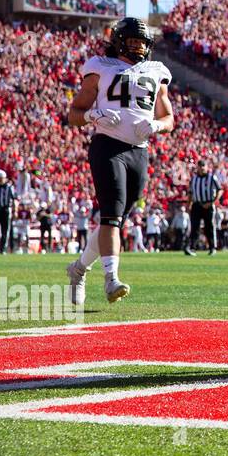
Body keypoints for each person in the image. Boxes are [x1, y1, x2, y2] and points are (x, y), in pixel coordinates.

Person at [65, 17, 174, 305]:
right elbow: (74, 113)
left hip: (139, 149)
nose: (138, 46)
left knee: (112, 222)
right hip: (108, 146)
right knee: (111, 215)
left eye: (142, 41)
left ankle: (78, 269)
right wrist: (92, 115)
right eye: (133, 40)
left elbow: (169, 117)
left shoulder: (157, 71)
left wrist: (157, 126)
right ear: (119, 40)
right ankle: (111, 280)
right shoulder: (101, 66)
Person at [189, 159, 221, 254]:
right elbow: (190, 192)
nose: (202, 168)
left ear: (206, 167)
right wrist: (188, 204)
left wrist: (213, 202)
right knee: (195, 227)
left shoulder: (212, 178)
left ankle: (212, 247)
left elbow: (219, 190)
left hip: (208, 204)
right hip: (197, 204)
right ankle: (192, 248)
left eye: (203, 166)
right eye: (200, 166)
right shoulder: (194, 178)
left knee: (209, 227)